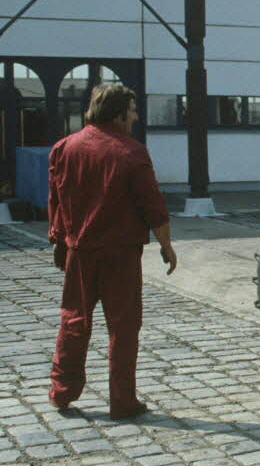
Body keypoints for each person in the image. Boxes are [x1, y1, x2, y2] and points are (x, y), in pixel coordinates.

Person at [48, 84, 176, 421]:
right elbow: (153, 205)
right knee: (123, 326)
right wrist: (166, 245)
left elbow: (57, 200)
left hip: (79, 250)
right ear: (119, 114)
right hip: (120, 252)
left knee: (73, 319)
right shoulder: (131, 152)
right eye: (132, 111)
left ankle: (62, 391)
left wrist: (59, 240)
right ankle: (122, 400)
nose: (135, 117)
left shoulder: (64, 148)